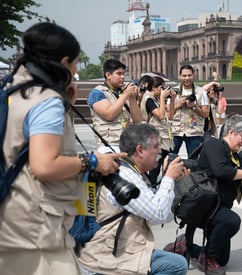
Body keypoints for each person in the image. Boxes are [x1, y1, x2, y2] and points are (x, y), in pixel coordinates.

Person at [0, 22, 124, 275]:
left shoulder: (13, 90)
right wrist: (92, 162)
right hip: (35, 230)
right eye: (76, 63)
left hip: (12, 220)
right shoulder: (46, 101)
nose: (76, 70)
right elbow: (44, 165)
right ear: (64, 61)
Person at [79, 123, 189, 275]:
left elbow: (158, 211)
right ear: (140, 150)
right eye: (156, 146)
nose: (160, 151)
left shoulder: (125, 168)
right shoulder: (125, 175)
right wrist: (169, 178)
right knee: (176, 266)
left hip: (109, 249)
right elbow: (159, 213)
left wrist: (172, 181)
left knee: (176, 263)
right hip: (106, 259)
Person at [188, 115, 242, 274]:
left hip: (219, 208)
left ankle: (188, 248)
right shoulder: (213, 144)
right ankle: (207, 257)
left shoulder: (234, 156)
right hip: (205, 206)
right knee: (233, 220)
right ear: (231, 132)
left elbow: (238, 186)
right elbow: (221, 171)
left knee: (222, 260)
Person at [88, 59, 143, 149]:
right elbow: (109, 115)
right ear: (108, 75)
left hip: (127, 143)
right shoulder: (98, 93)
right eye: (119, 73)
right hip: (108, 145)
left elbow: (138, 119)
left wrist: (132, 98)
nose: (122, 77)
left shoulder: (124, 92)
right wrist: (125, 95)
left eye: (123, 74)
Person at [170, 64, 210, 159]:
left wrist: (194, 106)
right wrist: (178, 104)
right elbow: (168, 114)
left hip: (194, 131)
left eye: (189, 75)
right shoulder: (173, 91)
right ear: (179, 76)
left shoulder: (201, 92)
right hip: (176, 131)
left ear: (193, 75)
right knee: (170, 158)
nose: (187, 78)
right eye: (184, 75)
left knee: (194, 160)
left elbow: (205, 113)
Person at [141, 76, 174, 186]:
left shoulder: (156, 99)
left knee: (166, 166)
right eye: (161, 87)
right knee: (155, 169)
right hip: (156, 139)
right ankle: (152, 189)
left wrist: (172, 99)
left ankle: (159, 188)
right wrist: (162, 97)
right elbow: (160, 115)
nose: (163, 90)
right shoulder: (149, 99)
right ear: (154, 88)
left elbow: (170, 115)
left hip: (164, 139)